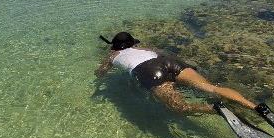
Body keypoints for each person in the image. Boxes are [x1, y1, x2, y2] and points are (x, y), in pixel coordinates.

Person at [95, 31, 265, 117]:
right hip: (168, 61)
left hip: (148, 72)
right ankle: (255, 106)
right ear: (132, 43)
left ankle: (215, 109)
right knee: (211, 88)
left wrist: (107, 63)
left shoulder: (112, 55)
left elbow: (100, 73)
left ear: (115, 47)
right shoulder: (142, 48)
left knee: (179, 108)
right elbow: (159, 52)